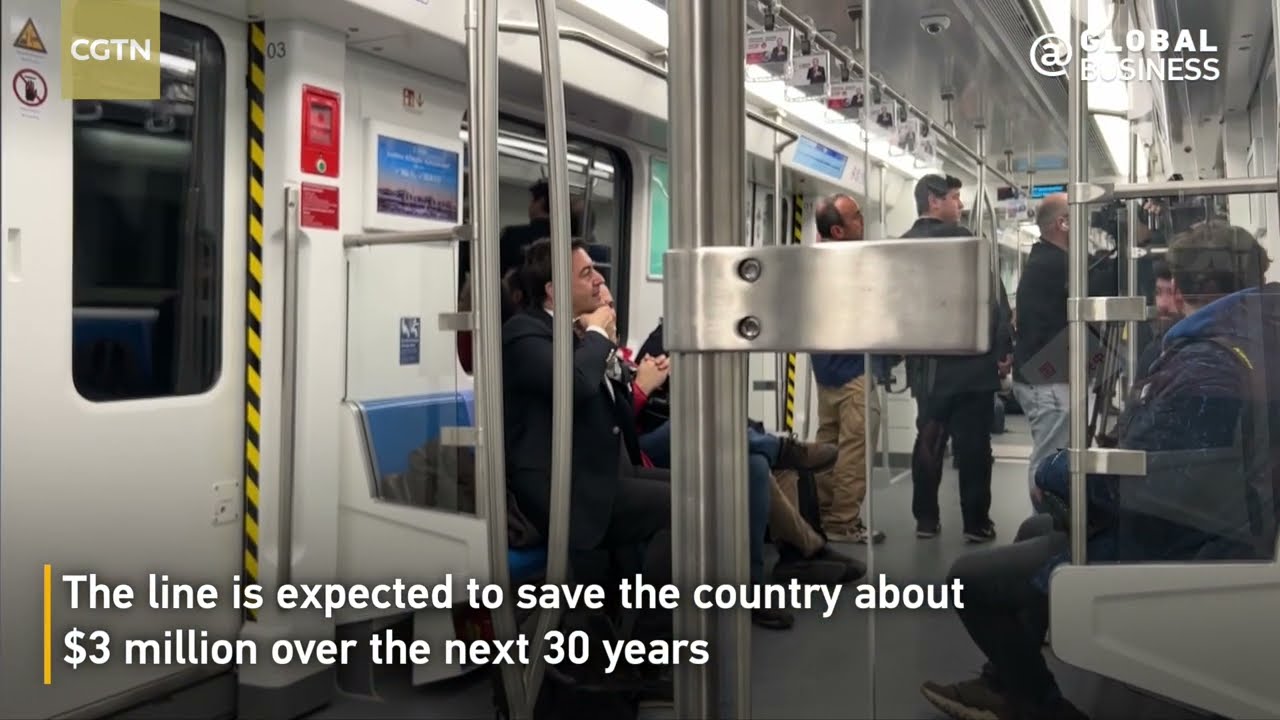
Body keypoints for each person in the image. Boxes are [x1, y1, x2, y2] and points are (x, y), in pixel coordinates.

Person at [920, 221, 1278, 720]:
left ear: (1187, 286)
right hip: (1220, 518)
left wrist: (1056, 476)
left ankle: (1042, 708)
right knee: (1034, 527)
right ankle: (1008, 683)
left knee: (968, 578)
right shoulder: (1248, 342)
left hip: (1188, 536)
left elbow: (1143, 484)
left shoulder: (1207, 365)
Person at [502, 238, 671, 596]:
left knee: (697, 490)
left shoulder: (574, 332)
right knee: (684, 506)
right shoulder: (524, 334)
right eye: (587, 273)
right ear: (553, 290)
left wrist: (609, 351)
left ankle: (647, 618)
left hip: (597, 472)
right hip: (562, 488)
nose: (598, 279)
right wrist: (596, 334)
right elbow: (574, 386)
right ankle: (652, 633)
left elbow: (616, 409)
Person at [901, 174, 1013, 543]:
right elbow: (994, 302)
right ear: (934, 201)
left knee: (929, 440)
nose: (960, 206)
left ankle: (925, 520)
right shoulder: (966, 243)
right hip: (971, 366)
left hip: (926, 368)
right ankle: (976, 522)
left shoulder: (901, 247)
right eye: (954, 198)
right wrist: (1002, 350)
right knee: (974, 446)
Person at [809, 193, 893, 544]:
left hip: (824, 370)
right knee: (853, 451)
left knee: (828, 445)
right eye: (856, 217)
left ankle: (824, 514)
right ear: (839, 231)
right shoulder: (852, 264)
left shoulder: (814, 262)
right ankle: (842, 523)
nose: (863, 221)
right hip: (853, 371)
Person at [1010, 192, 1070, 513]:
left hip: (1040, 375)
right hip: (1045, 380)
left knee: (1052, 452)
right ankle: (1042, 527)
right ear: (1063, 223)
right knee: (1048, 458)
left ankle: (1049, 522)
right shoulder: (1055, 264)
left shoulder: (1045, 259)